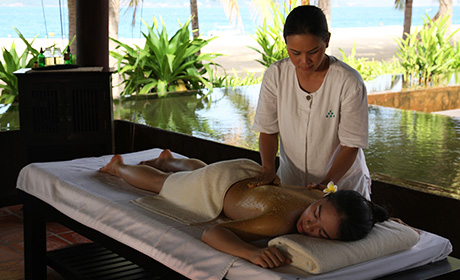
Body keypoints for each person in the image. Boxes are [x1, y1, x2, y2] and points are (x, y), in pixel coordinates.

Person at [100, 149, 388, 268]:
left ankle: (167, 158)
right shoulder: (278, 223)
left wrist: (379, 218)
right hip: (219, 187)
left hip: (244, 171)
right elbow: (213, 233)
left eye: (321, 234)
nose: (309, 226)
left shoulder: (314, 193)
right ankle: (120, 166)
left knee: (199, 171)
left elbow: (361, 212)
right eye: (316, 214)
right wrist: (251, 251)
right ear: (324, 199)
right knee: (163, 184)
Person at [251, 5, 371, 199]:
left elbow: (350, 145)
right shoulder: (276, 75)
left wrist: (326, 183)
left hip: (342, 186)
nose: (304, 61)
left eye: (313, 52)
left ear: (327, 41)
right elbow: (268, 130)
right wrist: (268, 168)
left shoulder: (348, 82)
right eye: (295, 53)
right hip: (291, 181)